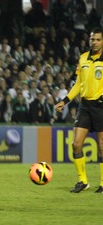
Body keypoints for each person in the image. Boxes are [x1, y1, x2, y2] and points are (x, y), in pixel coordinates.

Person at [54, 27, 103, 193]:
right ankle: (83, 181)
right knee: (76, 144)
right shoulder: (83, 58)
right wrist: (65, 100)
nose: (94, 42)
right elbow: (78, 84)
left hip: (101, 106)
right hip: (85, 106)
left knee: (102, 146)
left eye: (97, 39)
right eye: (92, 39)